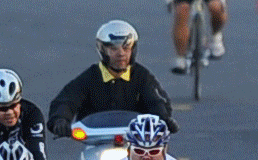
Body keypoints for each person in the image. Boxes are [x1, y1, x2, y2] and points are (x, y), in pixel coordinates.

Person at [48, 19, 178, 133]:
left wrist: (164, 119)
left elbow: (157, 101)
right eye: (114, 49)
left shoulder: (142, 76)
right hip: (97, 142)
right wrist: (60, 119)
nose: (121, 54)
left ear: (133, 50)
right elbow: (67, 100)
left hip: (134, 142)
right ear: (102, 50)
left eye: (126, 48)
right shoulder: (90, 77)